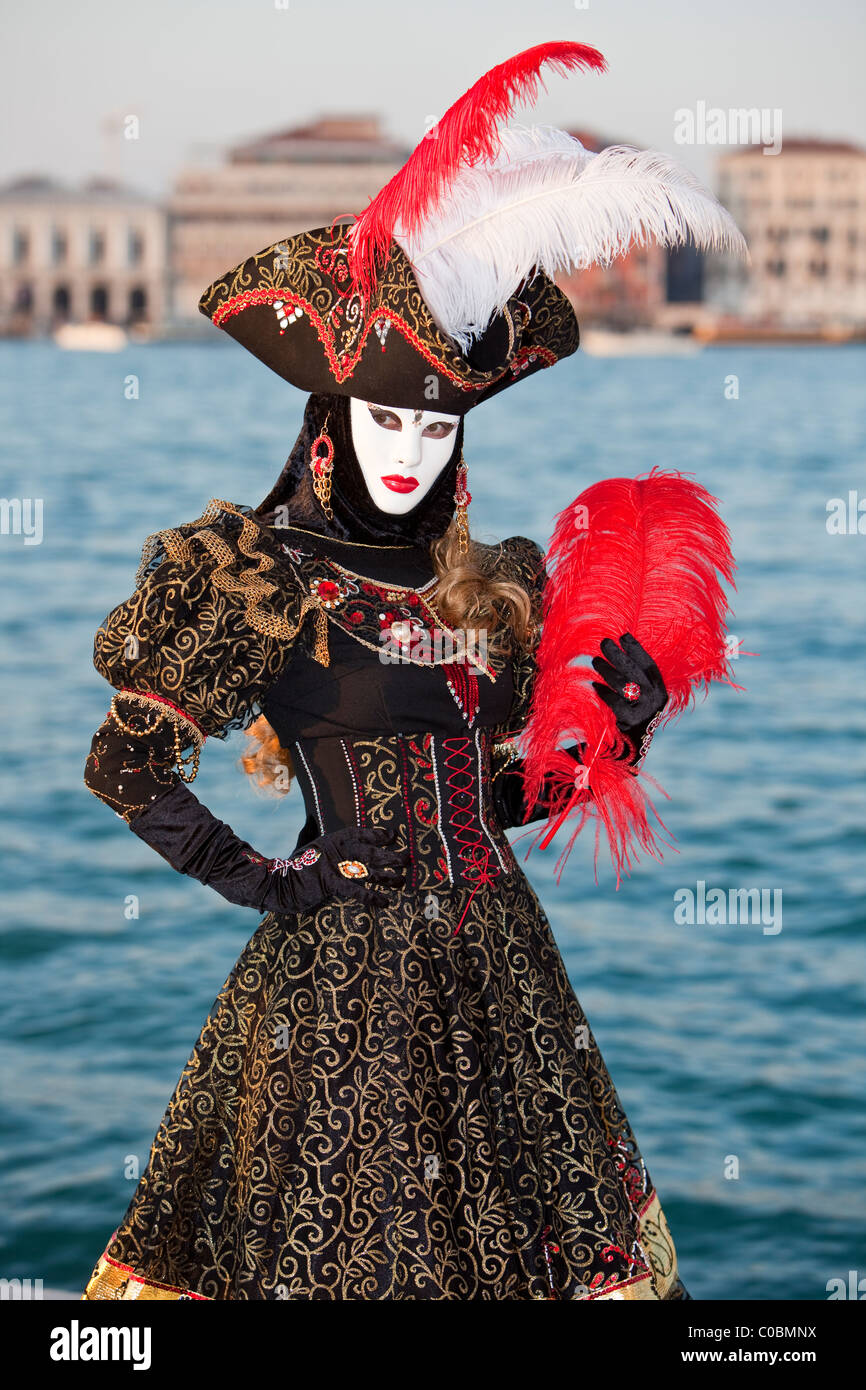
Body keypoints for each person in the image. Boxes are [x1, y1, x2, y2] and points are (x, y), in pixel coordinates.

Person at [80, 41, 744, 1300]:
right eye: (387, 419)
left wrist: (615, 739)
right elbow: (126, 764)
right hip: (334, 975)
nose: (407, 449)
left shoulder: (483, 584)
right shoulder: (257, 573)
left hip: (500, 965)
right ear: (331, 418)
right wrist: (270, 878)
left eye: (434, 425)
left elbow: (496, 797)